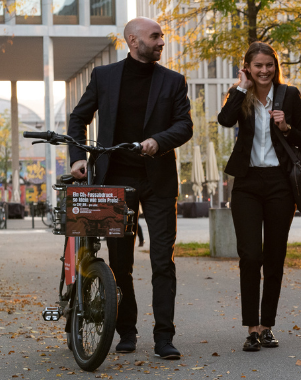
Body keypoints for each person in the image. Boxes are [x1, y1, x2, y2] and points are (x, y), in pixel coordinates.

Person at [66, 17, 193, 360]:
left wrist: (158, 141)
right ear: (134, 41)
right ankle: (126, 329)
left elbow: (185, 125)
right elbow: (78, 118)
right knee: (119, 263)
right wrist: (78, 158)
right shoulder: (104, 77)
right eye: (155, 37)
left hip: (158, 182)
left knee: (162, 262)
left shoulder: (173, 81)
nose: (162, 42)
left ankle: (164, 336)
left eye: (162, 36)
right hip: (114, 182)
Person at [216, 41, 301, 352]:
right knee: (250, 257)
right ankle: (251, 327)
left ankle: (267, 325)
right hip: (246, 182)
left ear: (276, 67)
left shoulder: (290, 95)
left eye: (269, 65)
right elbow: (225, 120)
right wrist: (241, 88)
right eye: (258, 66)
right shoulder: (239, 95)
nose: (264, 70)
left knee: (274, 256)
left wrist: (286, 127)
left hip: (279, 184)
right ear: (248, 67)